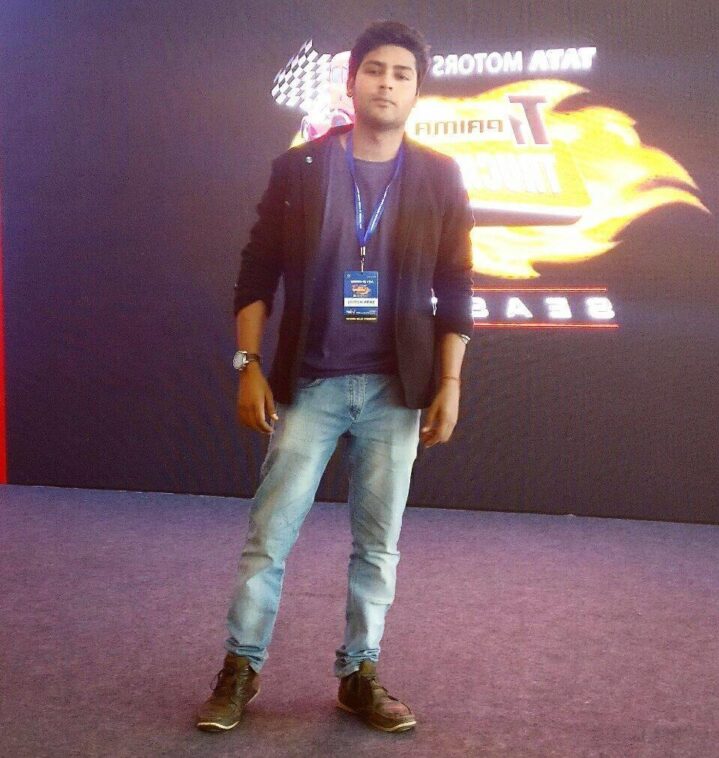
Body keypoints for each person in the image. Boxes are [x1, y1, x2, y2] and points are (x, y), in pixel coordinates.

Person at [197, 20, 474, 734]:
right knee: (269, 536)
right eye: (375, 70)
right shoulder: (301, 168)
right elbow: (256, 271)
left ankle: (359, 674)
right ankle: (240, 668)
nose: (387, 83)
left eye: (402, 74)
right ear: (352, 81)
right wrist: (248, 365)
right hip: (312, 384)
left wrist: (450, 383)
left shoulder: (439, 175)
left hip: (396, 391)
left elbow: (455, 285)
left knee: (378, 544)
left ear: (417, 91)